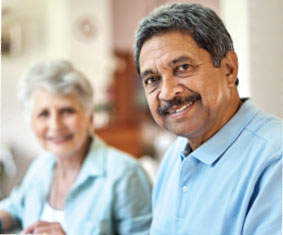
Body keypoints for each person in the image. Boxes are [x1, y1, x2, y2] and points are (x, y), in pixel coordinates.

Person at [134, 3, 282, 235]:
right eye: (152, 80)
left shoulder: (274, 158)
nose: (167, 92)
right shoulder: (173, 157)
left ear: (229, 69)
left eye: (183, 68)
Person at [0, 60, 152, 234]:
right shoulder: (40, 167)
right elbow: (16, 207)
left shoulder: (125, 175)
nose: (55, 125)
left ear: (90, 117)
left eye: (67, 111)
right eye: (43, 114)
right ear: (31, 123)